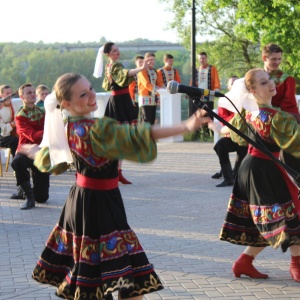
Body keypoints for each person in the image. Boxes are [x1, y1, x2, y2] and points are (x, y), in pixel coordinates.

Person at [30, 73, 207, 300]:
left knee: (98, 275)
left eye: (91, 88)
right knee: (131, 277)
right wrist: (185, 125)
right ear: (65, 103)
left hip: (80, 202)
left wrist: (33, 152)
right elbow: (137, 134)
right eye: (83, 94)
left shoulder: (66, 128)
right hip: (100, 205)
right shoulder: (97, 129)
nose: (92, 95)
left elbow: (49, 160)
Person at [219, 68, 300, 282]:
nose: (271, 83)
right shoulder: (276, 118)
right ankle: (296, 264)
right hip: (264, 170)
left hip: (252, 166)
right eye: (263, 83)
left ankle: (243, 263)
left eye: (269, 79)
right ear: (253, 91)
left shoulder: (247, 113)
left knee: (270, 218)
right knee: (291, 213)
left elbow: (230, 133)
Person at [94, 42, 149, 185]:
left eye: (118, 50)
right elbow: (125, 74)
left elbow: (107, 84)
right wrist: (141, 68)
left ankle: (116, 171)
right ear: (107, 55)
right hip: (119, 102)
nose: (117, 52)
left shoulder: (109, 67)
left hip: (120, 100)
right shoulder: (115, 66)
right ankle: (113, 171)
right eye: (114, 51)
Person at [262, 43, 300, 173]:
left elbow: (290, 107)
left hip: (282, 124)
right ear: (264, 58)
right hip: (259, 123)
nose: (277, 62)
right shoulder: (256, 77)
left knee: (291, 161)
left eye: (279, 59)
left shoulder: (287, 80)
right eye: (273, 59)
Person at [11, 83, 50, 210]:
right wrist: (50, 131)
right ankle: (28, 197)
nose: (33, 94)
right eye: (29, 93)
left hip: (40, 152)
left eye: (34, 92)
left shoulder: (43, 111)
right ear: (22, 97)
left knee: (42, 198)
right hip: (25, 150)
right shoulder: (20, 116)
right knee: (17, 162)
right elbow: (32, 136)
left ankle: (25, 191)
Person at [209, 76, 248, 187]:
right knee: (220, 146)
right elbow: (224, 119)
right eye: (233, 83)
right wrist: (237, 118)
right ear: (229, 86)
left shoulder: (246, 99)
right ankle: (227, 176)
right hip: (231, 135)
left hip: (247, 137)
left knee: (243, 149)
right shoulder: (224, 101)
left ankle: (233, 174)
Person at [137, 52, 164, 125]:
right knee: (146, 120)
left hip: (153, 98)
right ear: (145, 60)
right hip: (145, 98)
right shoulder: (142, 70)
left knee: (151, 121)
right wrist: (159, 92)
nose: (152, 61)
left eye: (153, 59)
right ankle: (143, 136)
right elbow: (146, 84)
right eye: (150, 59)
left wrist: (160, 95)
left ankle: (149, 136)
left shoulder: (155, 71)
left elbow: (159, 83)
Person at [0, 85, 20, 158]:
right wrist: (12, 125)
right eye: (7, 93)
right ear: (1, 95)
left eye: (11, 93)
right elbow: (2, 129)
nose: (10, 95)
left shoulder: (16, 105)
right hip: (2, 136)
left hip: (14, 133)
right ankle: (17, 163)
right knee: (15, 140)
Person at [129, 55, 144, 120]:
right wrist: (131, 98)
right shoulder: (133, 73)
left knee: (143, 115)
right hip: (135, 96)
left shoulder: (146, 72)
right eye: (140, 62)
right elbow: (130, 86)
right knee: (135, 115)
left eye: (142, 62)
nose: (141, 64)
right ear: (136, 62)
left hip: (143, 96)